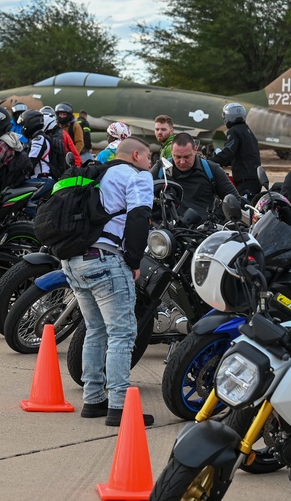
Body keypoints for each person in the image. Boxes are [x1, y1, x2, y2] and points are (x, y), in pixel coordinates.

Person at [63, 136, 155, 427]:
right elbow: (140, 217)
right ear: (137, 155)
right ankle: (118, 406)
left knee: (96, 330)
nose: (151, 162)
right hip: (105, 260)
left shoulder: (96, 172)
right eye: (149, 156)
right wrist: (133, 260)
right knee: (123, 335)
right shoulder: (137, 176)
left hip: (73, 260)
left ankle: (93, 400)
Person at [151, 132, 238, 217]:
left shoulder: (211, 170)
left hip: (203, 229)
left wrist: (215, 217)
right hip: (168, 228)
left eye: (187, 157)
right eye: (177, 157)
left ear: (195, 150)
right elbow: (141, 197)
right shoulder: (161, 169)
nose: (182, 162)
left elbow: (235, 200)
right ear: (172, 151)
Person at [209, 102, 262, 198]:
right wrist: (224, 161)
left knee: (240, 206)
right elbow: (240, 154)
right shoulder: (247, 130)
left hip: (246, 179)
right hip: (254, 178)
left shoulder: (234, 131)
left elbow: (228, 151)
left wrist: (209, 162)